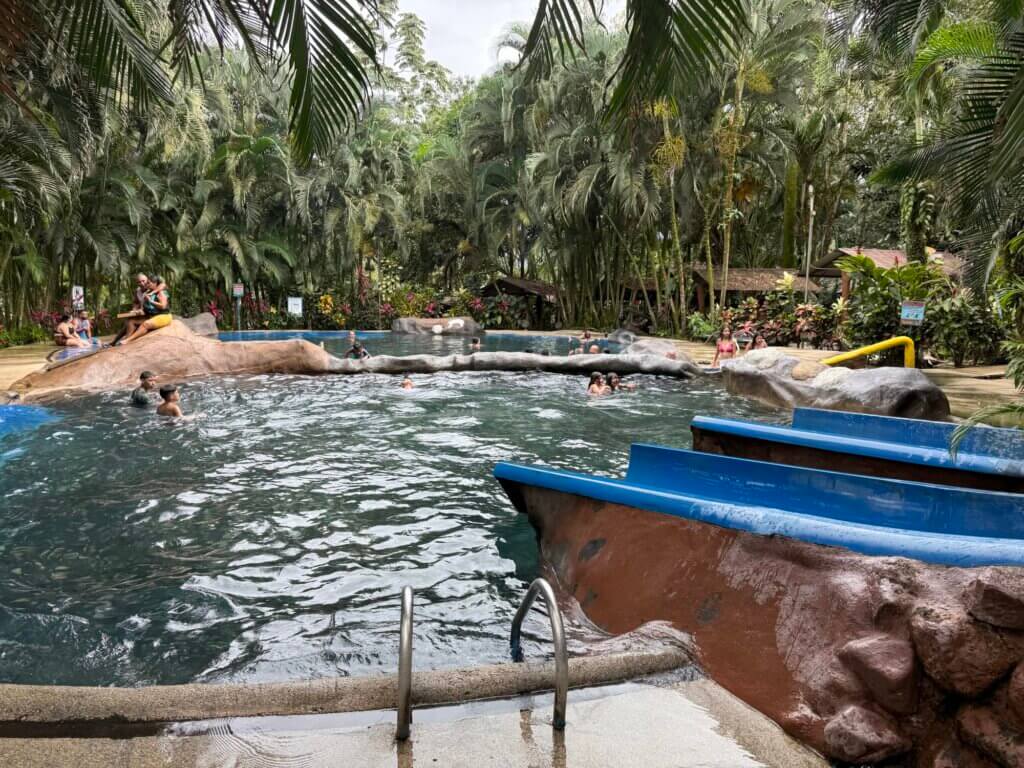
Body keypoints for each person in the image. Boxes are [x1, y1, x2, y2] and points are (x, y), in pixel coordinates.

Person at [121, 275, 171, 344]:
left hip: (164, 316)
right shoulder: (146, 293)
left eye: (148, 283)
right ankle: (125, 339)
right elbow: (140, 306)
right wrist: (137, 310)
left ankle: (128, 340)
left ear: (155, 283)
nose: (146, 285)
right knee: (131, 321)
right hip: (152, 316)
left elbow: (163, 306)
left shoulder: (161, 292)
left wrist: (151, 301)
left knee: (146, 324)